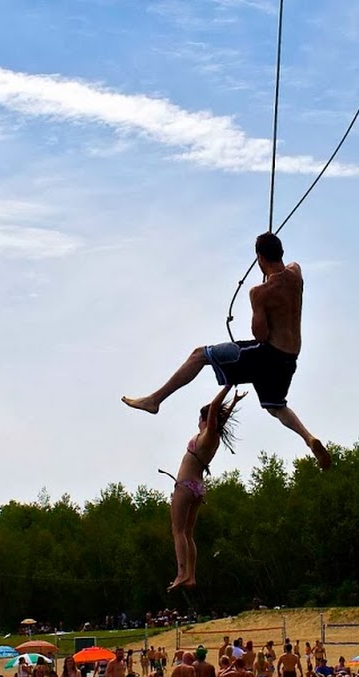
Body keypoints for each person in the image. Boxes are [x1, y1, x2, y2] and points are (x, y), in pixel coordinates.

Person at [122, 232, 332, 470]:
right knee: (276, 406)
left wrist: (260, 297)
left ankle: (154, 400)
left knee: (200, 355)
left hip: (267, 354)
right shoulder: (296, 274)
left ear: (260, 258)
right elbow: (285, 272)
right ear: (281, 252)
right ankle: (308, 438)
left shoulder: (259, 293)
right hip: (290, 358)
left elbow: (260, 336)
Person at [163, 385, 245, 591]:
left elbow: (215, 407)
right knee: (188, 533)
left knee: (178, 531)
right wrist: (234, 403)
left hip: (186, 485)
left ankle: (182, 573)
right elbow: (219, 415)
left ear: (204, 419)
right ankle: (190, 576)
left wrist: (227, 385)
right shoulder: (213, 437)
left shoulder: (208, 434)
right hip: (198, 488)